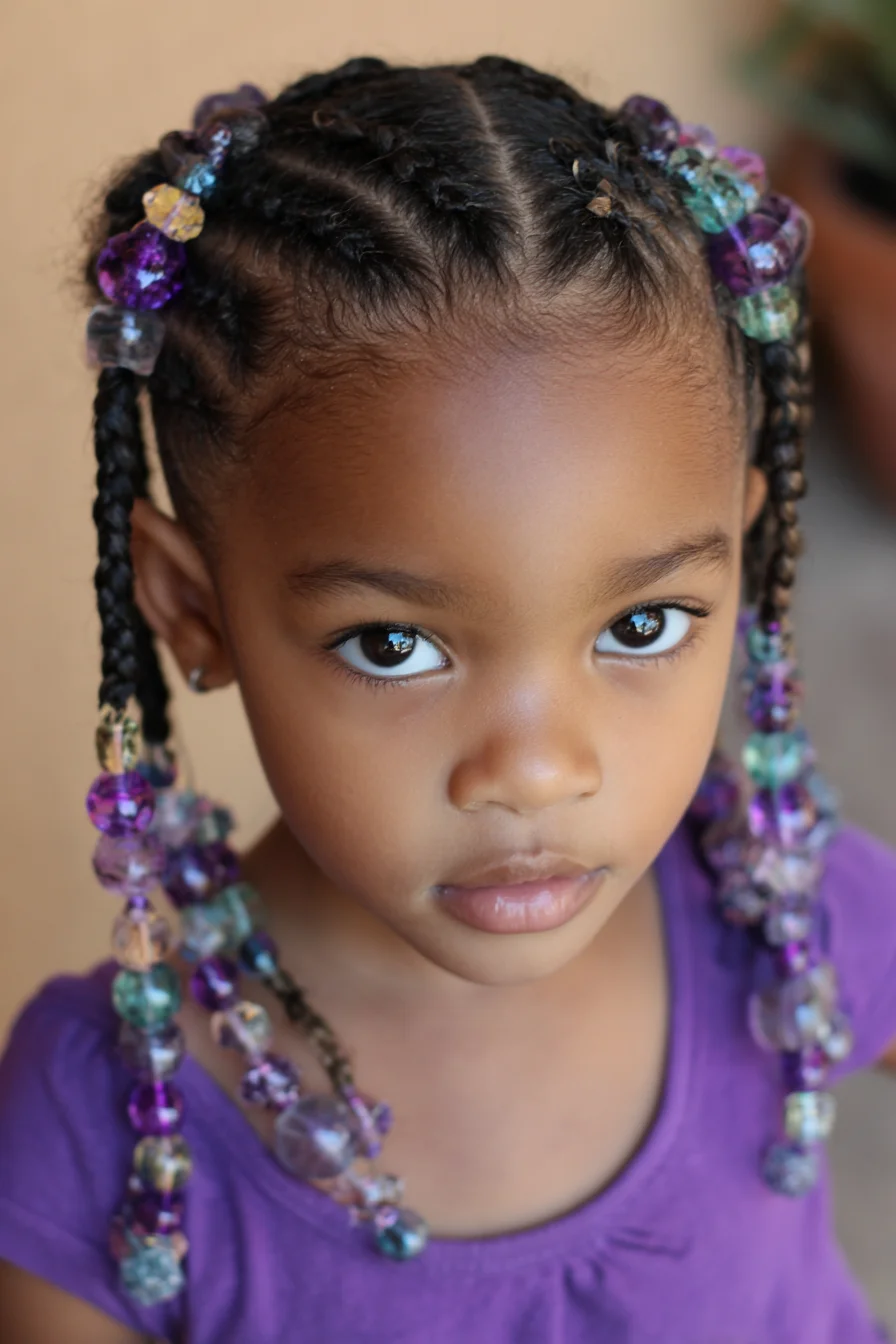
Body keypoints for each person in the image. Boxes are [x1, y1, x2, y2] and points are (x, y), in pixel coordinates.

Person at [0, 55, 894, 1344]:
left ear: (738, 567)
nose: (536, 770)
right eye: (395, 647)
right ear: (195, 609)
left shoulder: (776, 917)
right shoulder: (110, 1137)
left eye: (641, 625)